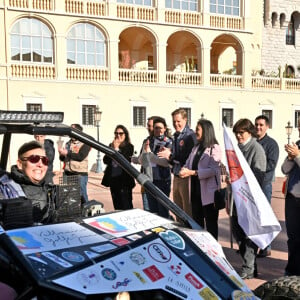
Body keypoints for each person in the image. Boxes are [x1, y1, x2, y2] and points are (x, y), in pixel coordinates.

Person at [231, 118, 266, 279]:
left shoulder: (256, 149)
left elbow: (259, 175)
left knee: (249, 234)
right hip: (236, 198)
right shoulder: (236, 149)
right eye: (236, 133)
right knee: (237, 232)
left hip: (250, 199)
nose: (238, 136)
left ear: (249, 132)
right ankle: (251, 266)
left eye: (241, 133)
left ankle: (248, 267)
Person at [179, 119, 221, 240]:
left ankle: (213, 252)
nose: (195, 132)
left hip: (209, 194)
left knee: (211, 225)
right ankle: (202, 248)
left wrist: (192, 172)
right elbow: (188, 163)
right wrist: (184, 170)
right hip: (195, 192)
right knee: (197, 224)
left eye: (197, 129)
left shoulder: (215, 148)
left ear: (206, 131)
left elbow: (214, 169)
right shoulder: (196, 147)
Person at [158, 108, 197, 217]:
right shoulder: (176, 135)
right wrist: (168, 153)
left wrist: (170, 156)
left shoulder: (190, 136)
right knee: (178, 210)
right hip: (176, 175)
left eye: (178, 121)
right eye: (174, 121)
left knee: (187, 211)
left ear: (185, 120)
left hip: (185, 177)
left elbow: (189, 157)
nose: (176, 124)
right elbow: (177, 154)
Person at [254, 115, 279, 257]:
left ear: (267, 126)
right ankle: (252, 246)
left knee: (264, 216)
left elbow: (271, 164)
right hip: (252, 185)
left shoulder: (271, 144)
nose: (258, 127)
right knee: (253, 215)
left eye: (261, 125)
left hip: (264, 184)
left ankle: (266, 246)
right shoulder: (251, 142)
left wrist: (255, 170)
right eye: (256, 124)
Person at [10, 140, 51, 224]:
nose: (40, 164)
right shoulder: (7, 191)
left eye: (44, 160)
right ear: (20, 164)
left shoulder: (49, 188)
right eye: (34, 159)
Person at [140, 117, 172, 218]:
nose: (157, 130)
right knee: (152, 211)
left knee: (163, 210)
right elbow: (143, 159)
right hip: (150, 179)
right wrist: (138, 158)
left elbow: (167, 162)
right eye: (155, 128)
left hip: (163, 179)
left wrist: (150, 155)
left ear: (165, 128)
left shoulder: (169, 142)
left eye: (160, 128)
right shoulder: (148, 141)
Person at [281, 117, 300, 276]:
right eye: (299, 127)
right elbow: (284, 169)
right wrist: (290, 157)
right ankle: (291, 270)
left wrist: (298, 156)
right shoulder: (297, 145)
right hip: (292, 197)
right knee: (293, 237)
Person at [102, 125, 135, 210]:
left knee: (126, 205)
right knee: (117, 206)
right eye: (116, 133)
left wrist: (116, 149)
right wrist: (112, 148)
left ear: (125, 135)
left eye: (121, 133)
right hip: (113, 180)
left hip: (124, 181)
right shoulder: (111, 145)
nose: (118, 136)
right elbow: (105, 160)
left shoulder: (129, 146)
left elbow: (125, 160)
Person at [132, 116, 160, 211]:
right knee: (147, 210)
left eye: (150, 126)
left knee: (159, 212)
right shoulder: (146, 141)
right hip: (146, 181)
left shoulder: (163, 142)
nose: (148, 128)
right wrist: (133, 159)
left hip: (158, 182)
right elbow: (141, 158)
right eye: (148, 126)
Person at [58, 124, 90, 204]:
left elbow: (80, 156)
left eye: (72, 130)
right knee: (67, 194)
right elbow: (63, 159)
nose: (69, 132)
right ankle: (72, 212)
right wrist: (62, 155)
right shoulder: (68, 143)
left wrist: (67, 153)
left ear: (78, 132)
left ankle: (86, 211)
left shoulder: (85, 143)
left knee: (82, 195)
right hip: (67, 173)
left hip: (79, 174)